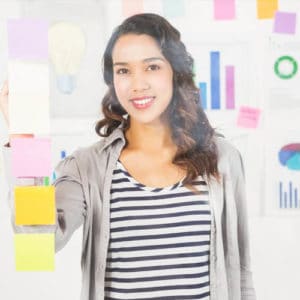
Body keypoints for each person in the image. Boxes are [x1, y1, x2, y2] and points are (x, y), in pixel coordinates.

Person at [0, 13, 256, 300]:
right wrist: (23, 136)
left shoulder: (222, 159)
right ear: (112, 81)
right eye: (123, 71)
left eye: (152, 67)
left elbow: (241, 271)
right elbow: (37, 244)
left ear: (177, 71)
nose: (137, 84)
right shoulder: (87, 167)